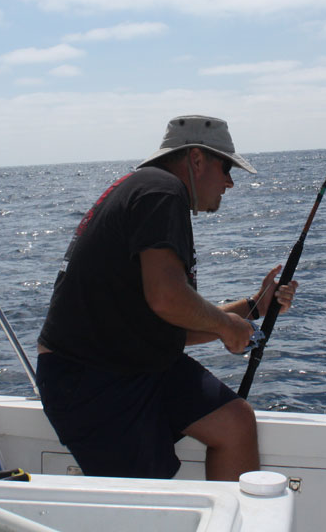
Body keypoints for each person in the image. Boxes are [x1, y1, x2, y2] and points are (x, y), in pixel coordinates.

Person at [35, 115, 297, 481]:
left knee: (233, 422)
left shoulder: (150, 190)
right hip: (91, 379)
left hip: (134, 364)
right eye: (226, 168)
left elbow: (168, 322)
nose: (230, 182)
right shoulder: (162, 190)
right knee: (149, 497)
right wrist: (227, 326)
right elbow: (166, 298)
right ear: (196, 159)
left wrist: (254, 307)